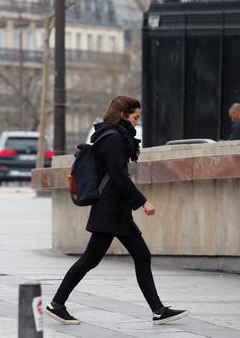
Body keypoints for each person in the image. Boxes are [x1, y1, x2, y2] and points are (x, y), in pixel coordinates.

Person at [46, 96, 187, 325]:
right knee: (91, 259)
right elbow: (119, 177)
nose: (135, 122)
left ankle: (158, 310)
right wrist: (143, 201)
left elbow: (122, 174)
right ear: (122, 114)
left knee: (139, 256)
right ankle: (57, 303)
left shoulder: (113, 136)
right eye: (134, 117)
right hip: (110, 210)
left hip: (116, 210)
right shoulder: (112, 139)